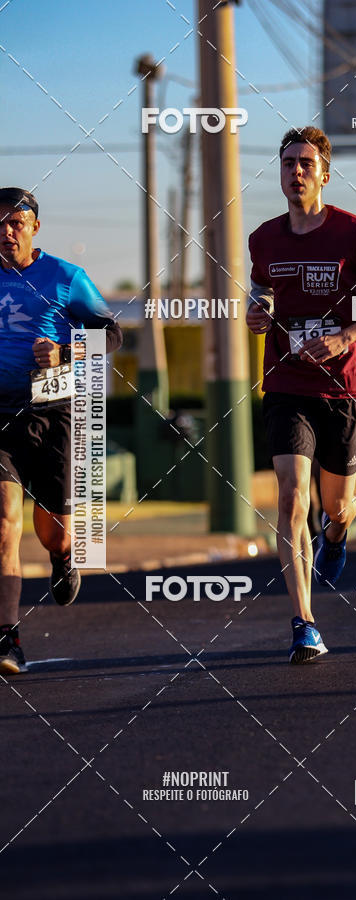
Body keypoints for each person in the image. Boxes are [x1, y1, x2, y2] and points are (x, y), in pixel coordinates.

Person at [246, 127, 356, 664]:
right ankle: (304, 623)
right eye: (287, 162)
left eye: (305, 164)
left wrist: (347, 334)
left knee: (337, 506)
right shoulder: (265, 238)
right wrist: (258, 309)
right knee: (292, 497)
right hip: (287, 381)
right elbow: (263, 286)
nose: (295, 172)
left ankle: (337, 534)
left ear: (324, 174)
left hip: (347, 386)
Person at [0, 187, 122, 674]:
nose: (6, 232)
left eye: (15, 222)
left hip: (51, 412)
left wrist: (68, 352)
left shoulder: (66, 278)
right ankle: (8, 637)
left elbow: (112, 333)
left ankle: (65, 555)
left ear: (34, 226)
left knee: (52, 531)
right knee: (3, 523)